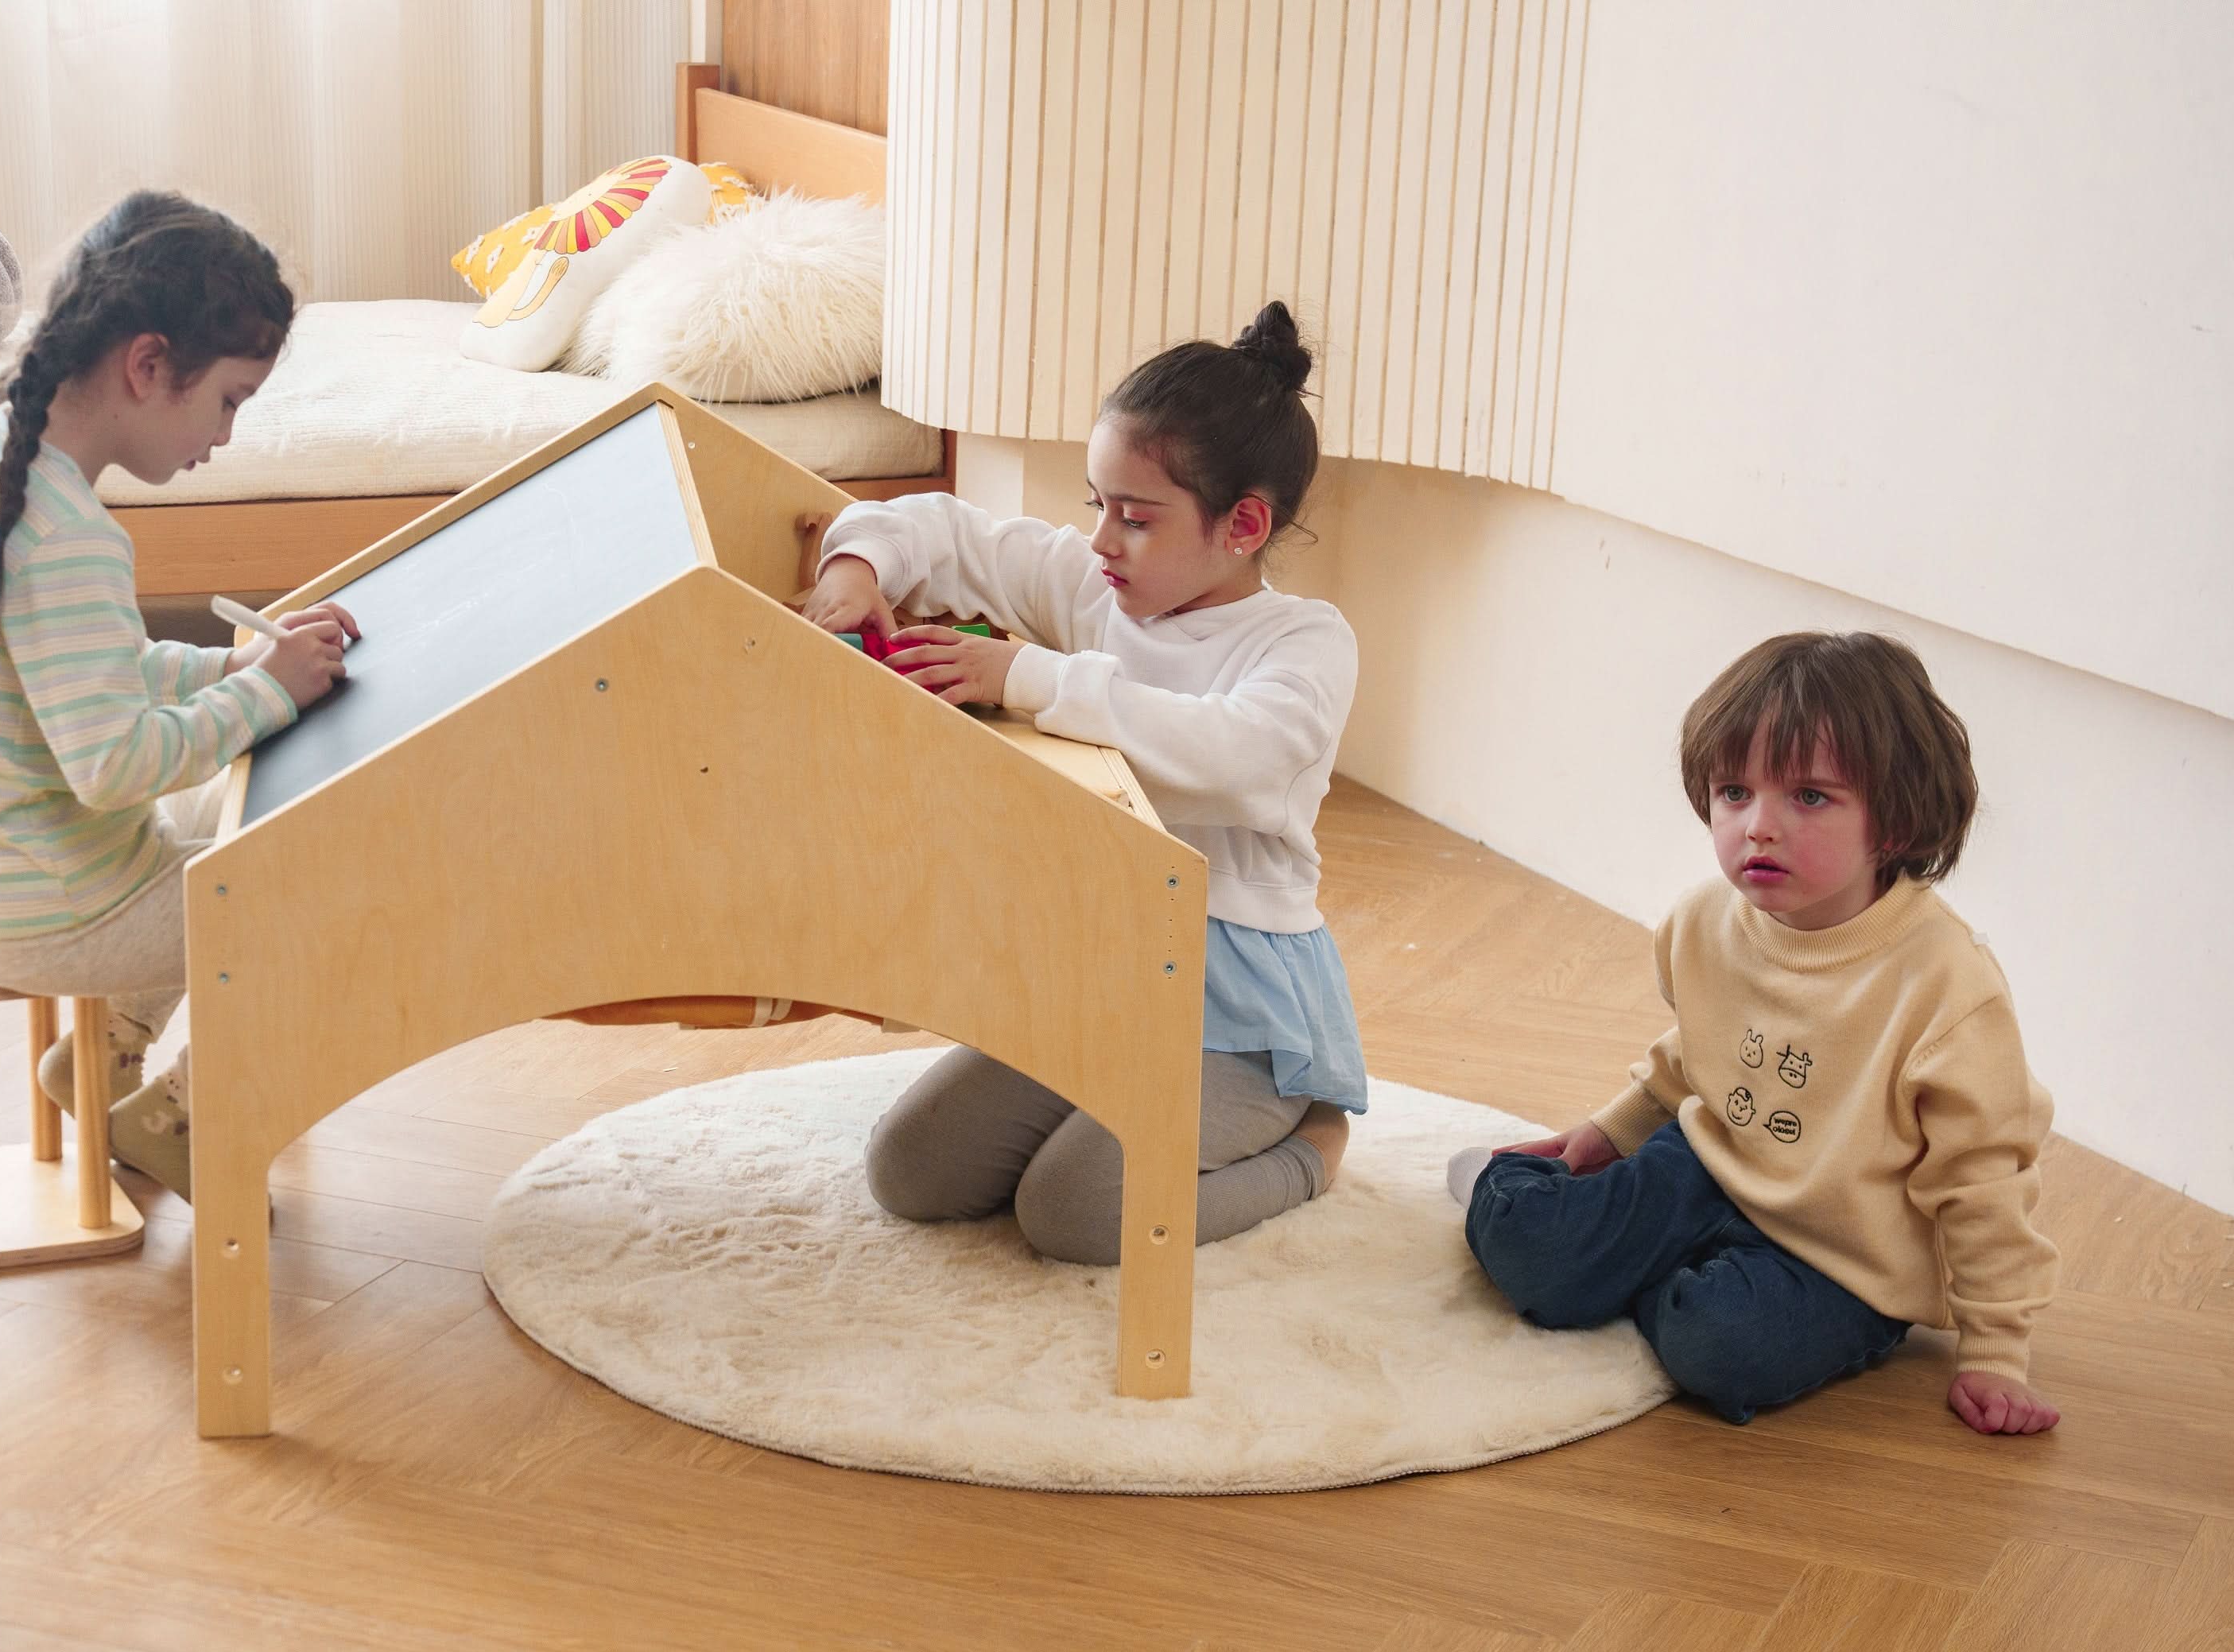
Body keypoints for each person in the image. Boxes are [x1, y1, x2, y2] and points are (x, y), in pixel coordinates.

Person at [804, 302, 1364, 1266]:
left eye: (1135, 517)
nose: (1102, 538)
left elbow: (1231, 757)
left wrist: (1028, 676)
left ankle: (1308, 1147)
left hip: (1236, 1016)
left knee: (1076, 1212)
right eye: (1095, 502)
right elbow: (942, 527)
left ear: (1244, 525)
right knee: (911, 1172)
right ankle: (1113, 1100)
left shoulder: (1303, 642)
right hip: (1099, 971)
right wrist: (857, 566)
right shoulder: (1094, 586)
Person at [1453, 632, 2060, 1433]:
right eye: (1734, 791)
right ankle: (1614, 1251)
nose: (1757, 826)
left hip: (1844, 1255)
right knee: (1527, 1239)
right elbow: (1692, 1056)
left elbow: (1985, 1181)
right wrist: (1610, 1130)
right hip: (1705, 1162)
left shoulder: (1948, 987)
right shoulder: (1703, 920)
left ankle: (1648, 1273)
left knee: (1719, 1346)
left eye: (1809, 796)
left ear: (1899, 818)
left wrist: (1994, 1349)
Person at [0, 191, 355, 1198]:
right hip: (49, 907)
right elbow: (112, 765)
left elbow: (89, 676)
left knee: (223, 791)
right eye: (228, 400)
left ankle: (100, 1057)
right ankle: (180, 1113)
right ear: (148, 364)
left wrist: (235, 674)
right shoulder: (66, 535)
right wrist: (267, 696)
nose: (224, 436)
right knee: (321, 886)